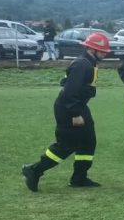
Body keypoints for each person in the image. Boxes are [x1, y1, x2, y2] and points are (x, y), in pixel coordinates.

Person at [21, 32, 111, 191]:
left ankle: (79, 178)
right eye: (102, 51)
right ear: (92, 49)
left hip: (78, 105)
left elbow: (66, 82)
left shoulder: (88, 62)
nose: (105, 54)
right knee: (66, 144)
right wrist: (75, 113)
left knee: (88, 141)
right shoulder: (82, 64)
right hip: (69, 108)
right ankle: (34, 170)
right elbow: (70, 91)